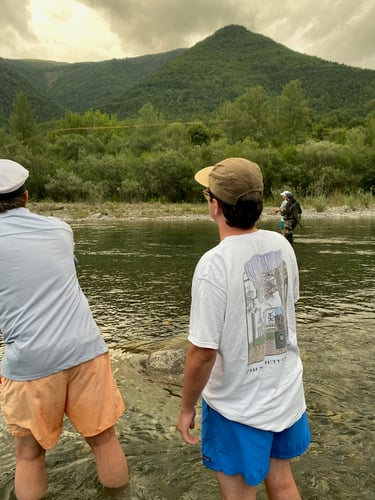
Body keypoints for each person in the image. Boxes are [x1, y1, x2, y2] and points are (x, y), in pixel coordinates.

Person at [177, 158, 310, 500]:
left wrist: (187, 407)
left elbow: (203, 353)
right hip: (285, 394)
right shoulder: (282, 246)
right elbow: (286, 309)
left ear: (215, 205)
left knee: (238, 492)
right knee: (282, 481)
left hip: (237, 406)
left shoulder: (213, 264)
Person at [0, 159, 128, 500]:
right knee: (104, 439)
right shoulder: (60, 229)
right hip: (86, 348)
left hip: (32, 364)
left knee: (29, 455)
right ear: (26, 197)